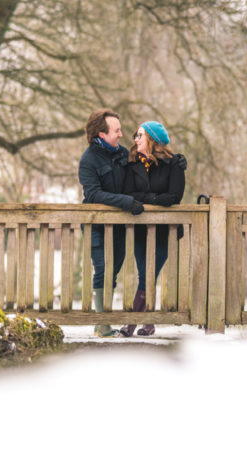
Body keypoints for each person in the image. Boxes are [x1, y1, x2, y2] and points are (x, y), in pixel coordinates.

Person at [78, 108, 144, 337]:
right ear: (101, 134)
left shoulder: (124, 154)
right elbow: (94, 194)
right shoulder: (88, 161)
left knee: (113, 271)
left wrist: (173, 163)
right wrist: (127, 202)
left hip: (118, 226)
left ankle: (101, 321)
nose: (121, 134)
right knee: (102, 270)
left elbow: (144, 175)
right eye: (116, 130)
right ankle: (103, 325)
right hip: (96, 225)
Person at [120, 121, 186, 337]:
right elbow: (130, 193)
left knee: (148, 274)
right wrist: (157, 198)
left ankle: (131, 323)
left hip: (164, 232)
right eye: (135, 136)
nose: (135, 140)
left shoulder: (173, 163)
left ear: (152, 139)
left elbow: (174, 196)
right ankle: (148, 323)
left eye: (140, 135)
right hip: (141, 229)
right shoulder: (132, 164)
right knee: (145, 274)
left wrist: (147, 199)